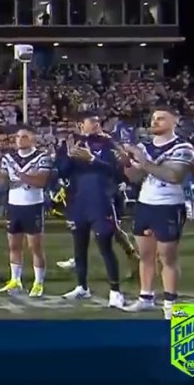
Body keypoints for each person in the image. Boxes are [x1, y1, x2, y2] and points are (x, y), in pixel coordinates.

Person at [122, 107, 194, 318]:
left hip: (169, 206)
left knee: (167, 258)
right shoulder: (143, 146)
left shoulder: (183, 147)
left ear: (174, 121)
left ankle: (170, 304)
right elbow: (134, 178)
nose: (154, 122)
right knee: (145, 256)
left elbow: (173, 176)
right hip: (145, 204)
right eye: (153, 118)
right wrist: (126, 163)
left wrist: (143, 161)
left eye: (161, 118)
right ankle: (145, 297)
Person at [55, 113, 125, 306]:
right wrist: (69, 157)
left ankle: (115, 292)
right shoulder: (68, 144)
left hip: (100, 201)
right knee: (79, 246)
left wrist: (93, 159)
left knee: (105, 245)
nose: (96, 124)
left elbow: (116, 171)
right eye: (92, 121)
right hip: (78, 202)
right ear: (80, 125)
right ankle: (82, 287)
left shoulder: (107, 143)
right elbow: (62, 172)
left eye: (97, 121)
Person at [0, 126, 52, 297]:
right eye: (18, 137)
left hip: (33, 205)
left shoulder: (42, 157)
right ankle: (15, 279)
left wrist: (21, 177)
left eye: (24, 136)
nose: (20, 140)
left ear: (33, 138)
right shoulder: (8, 158)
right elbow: (3, 180)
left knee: (35, 247)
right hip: (14, 205)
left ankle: (38, 282)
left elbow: (41, 181)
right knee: (13, 245)